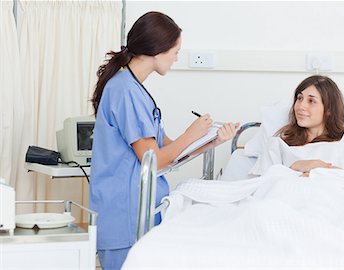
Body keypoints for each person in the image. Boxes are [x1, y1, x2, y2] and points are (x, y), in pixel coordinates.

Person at [89, 11, 238, 270]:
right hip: (125, 217)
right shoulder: (125, 90)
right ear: (157, 50)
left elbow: (169, 151)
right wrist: (191, 133)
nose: (176, 58)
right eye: (175, 51)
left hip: (140, 213)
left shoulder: (134, 89)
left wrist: (211, 140)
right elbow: (154, 161)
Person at [250, 75, 344, 176]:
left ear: (329, 109)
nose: (301, 106)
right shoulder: (278, 145)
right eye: (299, 98)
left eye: (311, 101)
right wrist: (296, 167)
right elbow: (263, 187)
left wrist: (323, 171)